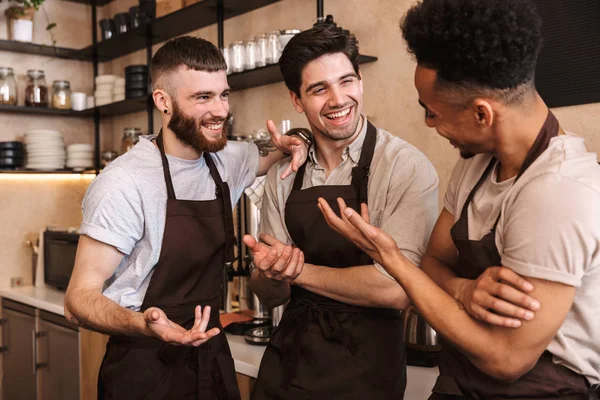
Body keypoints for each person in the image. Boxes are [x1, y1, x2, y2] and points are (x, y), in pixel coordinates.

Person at [318, 1, 600, 399]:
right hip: (457, 382)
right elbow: (433, 262)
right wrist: (464, 291)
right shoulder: (476, 166)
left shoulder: (558, 192)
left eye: (432, 113)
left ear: (482, 114)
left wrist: (392, 259)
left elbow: (506, 359)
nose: (430, 125)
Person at [63, 36, 310, 400]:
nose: (221, 110)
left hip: (211, 358)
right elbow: (78, 297)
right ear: (163, 102)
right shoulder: (123, 181)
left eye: (223, 94)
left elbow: (267, 153)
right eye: (202, 98)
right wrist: (143, 325)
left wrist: (297, 138)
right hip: (143, 368)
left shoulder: (226, 158)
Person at [243, 25, 439, 399]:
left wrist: (297, 271)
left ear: (361, 81)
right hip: (287, 365)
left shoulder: (405, 167)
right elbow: (270, 296)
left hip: (367, 372)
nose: (338, 99)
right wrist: (269, 274)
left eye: (346, 81)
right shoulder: (282, 175)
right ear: (297, 100)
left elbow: (397, 289)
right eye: (319, 89)